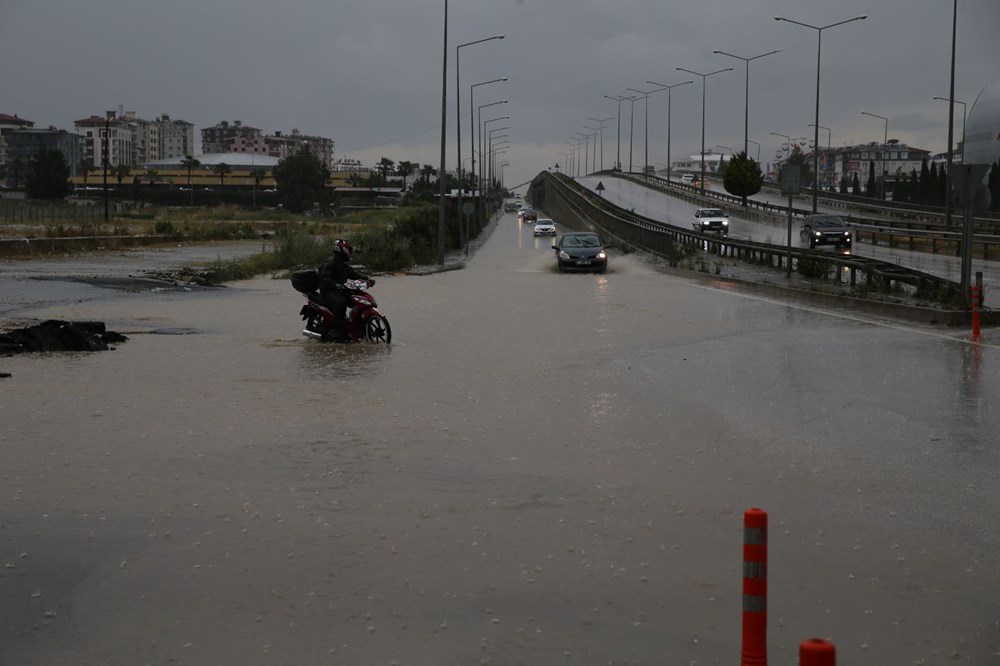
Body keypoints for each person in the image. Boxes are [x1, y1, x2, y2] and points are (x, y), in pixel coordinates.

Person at [318, 239, 370, 341]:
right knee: (340, 302)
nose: (350, 253)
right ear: (343, 250)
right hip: (327, 292)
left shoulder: (343, 265)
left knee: (357, 300)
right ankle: (334, 330)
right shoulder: (329, 264)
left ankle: (356, 326)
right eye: (349, 250)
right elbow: (325, 279)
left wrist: (367, 279)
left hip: (339, 291)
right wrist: (335, 285)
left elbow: (354, 274)